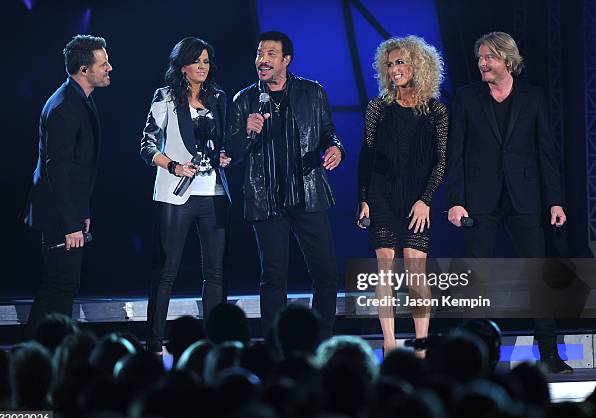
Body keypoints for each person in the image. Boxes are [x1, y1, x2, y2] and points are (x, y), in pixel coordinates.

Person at [446, 31, 571, 373]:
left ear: (507, 60)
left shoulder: (533, 98)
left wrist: (555, 201)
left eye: (488, 57)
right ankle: (477, 357)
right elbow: (453, 153)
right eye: (480, 57)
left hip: (525, 197)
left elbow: (546, 152)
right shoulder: (467, 98)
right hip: (478, 200)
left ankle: (548, 353)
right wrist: (455, 200)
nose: (481, 63)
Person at [228, 31, 344, 341]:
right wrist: (246, 133)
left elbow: (328, 132)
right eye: (259, 54)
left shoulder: (311, 92)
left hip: (308, 194)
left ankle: (321, 340)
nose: (262, 60)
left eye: (269, 54)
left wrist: (335, 147)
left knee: (326, 274)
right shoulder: (245, 99)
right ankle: (275, 344)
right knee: (274, 278)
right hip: (267, 200)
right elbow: (232, 154)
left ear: (286, 60)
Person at [357, 36, 448, 355]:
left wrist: (426, 200)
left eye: (401, 62)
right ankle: (389, 342)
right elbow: (366, 156)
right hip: (382, 195)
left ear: (418, 65)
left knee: (415, 268)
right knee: (385, 266)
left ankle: (421, 345)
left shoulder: (436, 110)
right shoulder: (377, 108)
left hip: (417, 199)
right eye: (391, 63)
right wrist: (364, 198)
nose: (395, 69)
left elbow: (441, 160)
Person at [140, 37, 231, 354]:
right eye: (197, 62)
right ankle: (154, 340)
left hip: (213, 192)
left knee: (215, 272)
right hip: (175, 195)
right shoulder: (165, 98)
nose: (203, 67)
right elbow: (147, 146)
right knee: (167, 270)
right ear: (182, 67)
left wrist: (223, 155)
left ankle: (215, 341)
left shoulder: (218, 98)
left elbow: (221, 140)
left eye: (206, 61)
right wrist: (174, 166)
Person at [24, 35, 112, 332]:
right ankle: (43, 355)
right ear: (84, 70)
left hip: (68, 212)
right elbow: (58, 169)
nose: (109, 68)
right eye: (103, 64)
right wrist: (70, 222)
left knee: (61, 286)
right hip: (58, 216)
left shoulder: (79, 100)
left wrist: (82, 211)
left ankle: (43, 353)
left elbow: (79, 168)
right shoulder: (64, 105)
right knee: (59, 288)